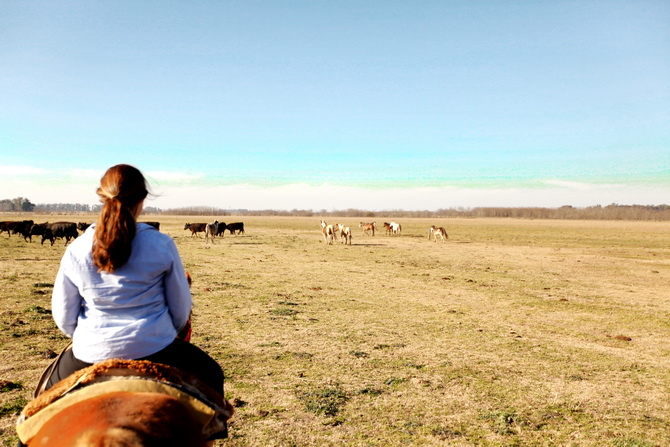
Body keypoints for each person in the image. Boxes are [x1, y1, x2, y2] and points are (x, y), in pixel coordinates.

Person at [43, 164, 224, 395]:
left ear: (102, 197)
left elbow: (64, 317)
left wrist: (90, 338)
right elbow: (181, 311)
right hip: (156, 347)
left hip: (90, 351)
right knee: (211, 374)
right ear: (142, 199)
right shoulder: (162, 244)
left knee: (44, 397)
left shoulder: (75, 249)